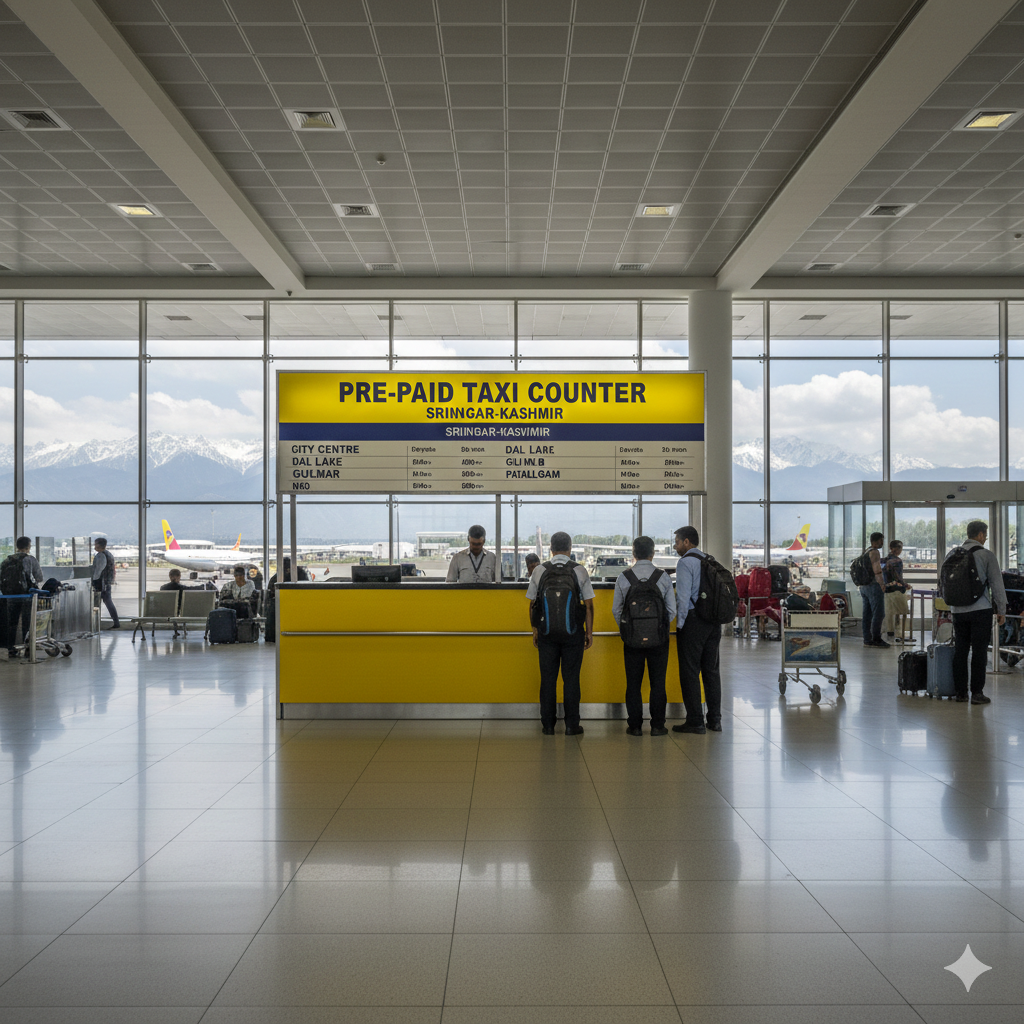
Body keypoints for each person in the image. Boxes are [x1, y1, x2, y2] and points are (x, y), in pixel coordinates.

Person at [526, 531, 594, 735]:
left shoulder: (540, 570)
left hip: (546, 634)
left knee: (548, 679)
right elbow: (589, 605)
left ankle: (548, 725)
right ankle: (572, 725)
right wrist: (589, 633)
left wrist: (535, 630)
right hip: (573, 633)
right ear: (570, 548)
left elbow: (532, 604)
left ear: (551, 549)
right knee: (571, 679)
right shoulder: (579, 570)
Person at [612, 535, 676, 737]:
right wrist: (660, 627)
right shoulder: (663, 577)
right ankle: (657, 726)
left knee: (633, 684)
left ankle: (635, 726)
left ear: (633, 553)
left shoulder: (624, 577)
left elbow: (616, 610)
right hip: (659, 640)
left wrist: (629, 629)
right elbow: (671, 610)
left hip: (632, 640)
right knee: (658, 682)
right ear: (652, 553)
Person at [672, 526, 723, 735]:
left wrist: (680, 625)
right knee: (711, 672)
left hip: (694, 622)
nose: (675, 546)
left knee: (690, 672)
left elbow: (683, 599)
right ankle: (715, 720)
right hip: (714, 623)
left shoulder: (685, 563)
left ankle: (695, 721)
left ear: (686, 542)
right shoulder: (709, 560)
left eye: (677, 542)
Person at [949, 521, 1006, 705]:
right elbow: (997, 585)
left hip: (958, 610)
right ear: (980, 535)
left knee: (960, 650)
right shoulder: (986, 555)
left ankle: (960, 693)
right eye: (985, 535)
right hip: (980, 610)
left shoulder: (952, 554)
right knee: (979, 652)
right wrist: (1001, 610)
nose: (985, 538)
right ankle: (977, 693)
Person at [2, 537, 43, 657]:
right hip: (27, 595)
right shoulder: (30, 559)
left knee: (12, 623)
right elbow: (39, 577)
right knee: (27, 622)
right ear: (28, 547)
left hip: (10, 596)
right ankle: (28, 649)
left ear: (17, 546)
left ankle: (11, 649)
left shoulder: (7, 560)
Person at [858, 531, 888, 648]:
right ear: (877, 540)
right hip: (873, 586)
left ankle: (867, 639)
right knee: (879, 613)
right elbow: (877, 570)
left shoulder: (866, 551)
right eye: (882, 540)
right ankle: (876, 639)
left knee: (867, 614)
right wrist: (882, 584)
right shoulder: (875, 552)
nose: (882, 543)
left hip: (864, 586)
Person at [883, 540, 909, 643]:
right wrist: (905, 585)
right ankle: (900, 633)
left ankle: (890, 632)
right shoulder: (897, 561)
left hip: (887, 590)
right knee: (902, 612)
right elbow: (898, 577)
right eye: (900, 548)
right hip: (897, 589)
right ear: (897, 549)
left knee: (889, 612)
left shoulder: (884, 560)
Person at [92, 537, 119, 630]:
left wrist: (93, 580)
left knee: (99, 603)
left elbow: (98, 570)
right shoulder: (108, 554)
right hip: (107, 582)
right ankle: (116, 622)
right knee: (108, 602)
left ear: (99, 545)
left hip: (102, 583)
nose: (94, 546)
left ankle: (95, 624)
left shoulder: (101, 555)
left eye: (95, 544)